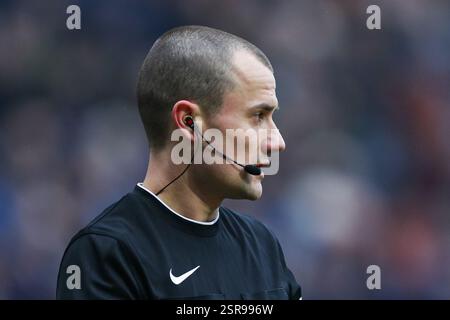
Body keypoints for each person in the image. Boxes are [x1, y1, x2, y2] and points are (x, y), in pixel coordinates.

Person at [56, 25, 301, 300]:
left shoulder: (262, 246)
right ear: (188, 122)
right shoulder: (108, 254)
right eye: (258, 116)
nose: (277, 142)